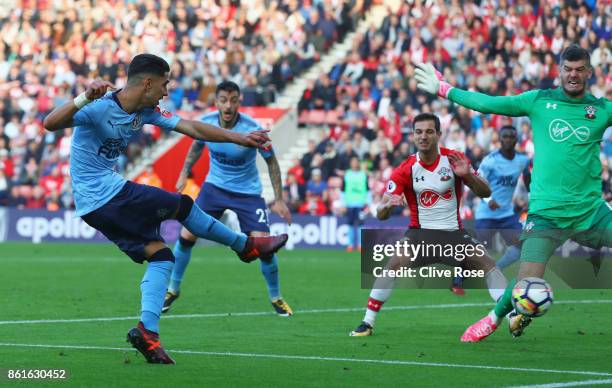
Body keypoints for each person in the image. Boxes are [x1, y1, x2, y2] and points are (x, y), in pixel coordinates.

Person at [42, 54, 289, 364]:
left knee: (161, 255)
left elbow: (193, 129)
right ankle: (244, 245)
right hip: (104, 194)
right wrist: (83, 98)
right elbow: (50, 123)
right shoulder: (99, 105)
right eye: (164, 83)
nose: (166, 89)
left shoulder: (145, 111)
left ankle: (148, 332)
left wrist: (239, 137)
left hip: (96, 207)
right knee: (183, 204)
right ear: (147, 83)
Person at [415, 44, 612, 342]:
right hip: (546, 214)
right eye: (568, 69)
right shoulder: (538, 101)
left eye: (580, 69)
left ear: (589, 72)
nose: (574, 75)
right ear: (559, 72)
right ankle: (493, 319)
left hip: (591, 211)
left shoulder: (601, 109)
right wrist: (445, 89)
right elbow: (489, 103)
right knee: (525, 281)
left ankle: (511, 314)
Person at [349, 113, 507, 337]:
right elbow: (380, 213)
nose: (423, 136)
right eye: (418, 132)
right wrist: (388, 206)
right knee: (392, 265)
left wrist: (468, 177)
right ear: (413, 136)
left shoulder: (455, 159)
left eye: (429, 131)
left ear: (439, 135)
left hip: (454, 235)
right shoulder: (405, 169)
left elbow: (486, 192)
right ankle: (367, 322)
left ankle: (510, 315)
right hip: (420, 236)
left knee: (489, 266)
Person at [163, 81, 294, 317]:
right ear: (216, 102)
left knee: (265, 249)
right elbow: (196, 147)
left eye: (233, 100)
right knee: (186, 235)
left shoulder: (253, 129)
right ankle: (173, 289)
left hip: (248, 193)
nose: (228, 105)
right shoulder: (208, 122)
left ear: (240, 102)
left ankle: (276, 297)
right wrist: (184, 172)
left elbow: (271, 162)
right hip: (214, 188)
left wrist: (279, 199)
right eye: (223, 100)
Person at [451, 125, 531, 295]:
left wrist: (533, 198)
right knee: (479, 252)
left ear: (516, 140)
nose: (508, 139)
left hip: (507, 214)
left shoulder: (522, 160)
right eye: (505, 136)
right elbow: (474, 182)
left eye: (511, 136)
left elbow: (529, 180)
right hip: (487, 214)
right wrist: (488, 199)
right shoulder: (490, 160)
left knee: (521, 244)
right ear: (500, 139)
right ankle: (458, 278)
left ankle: (496, 269)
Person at [344, 156, 369, 252]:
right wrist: (343, 203)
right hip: (350, 203)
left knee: (360, 224)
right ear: (350, 163)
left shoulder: (363, 175)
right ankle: (350, 245)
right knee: (350, 224)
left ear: (358, 163)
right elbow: (343, 189)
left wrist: (368, 202)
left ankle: (360, 245)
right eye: (353, 161)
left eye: (356, 162)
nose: (354, 163)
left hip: (360, 203)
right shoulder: (347, 174)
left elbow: (367, 190)